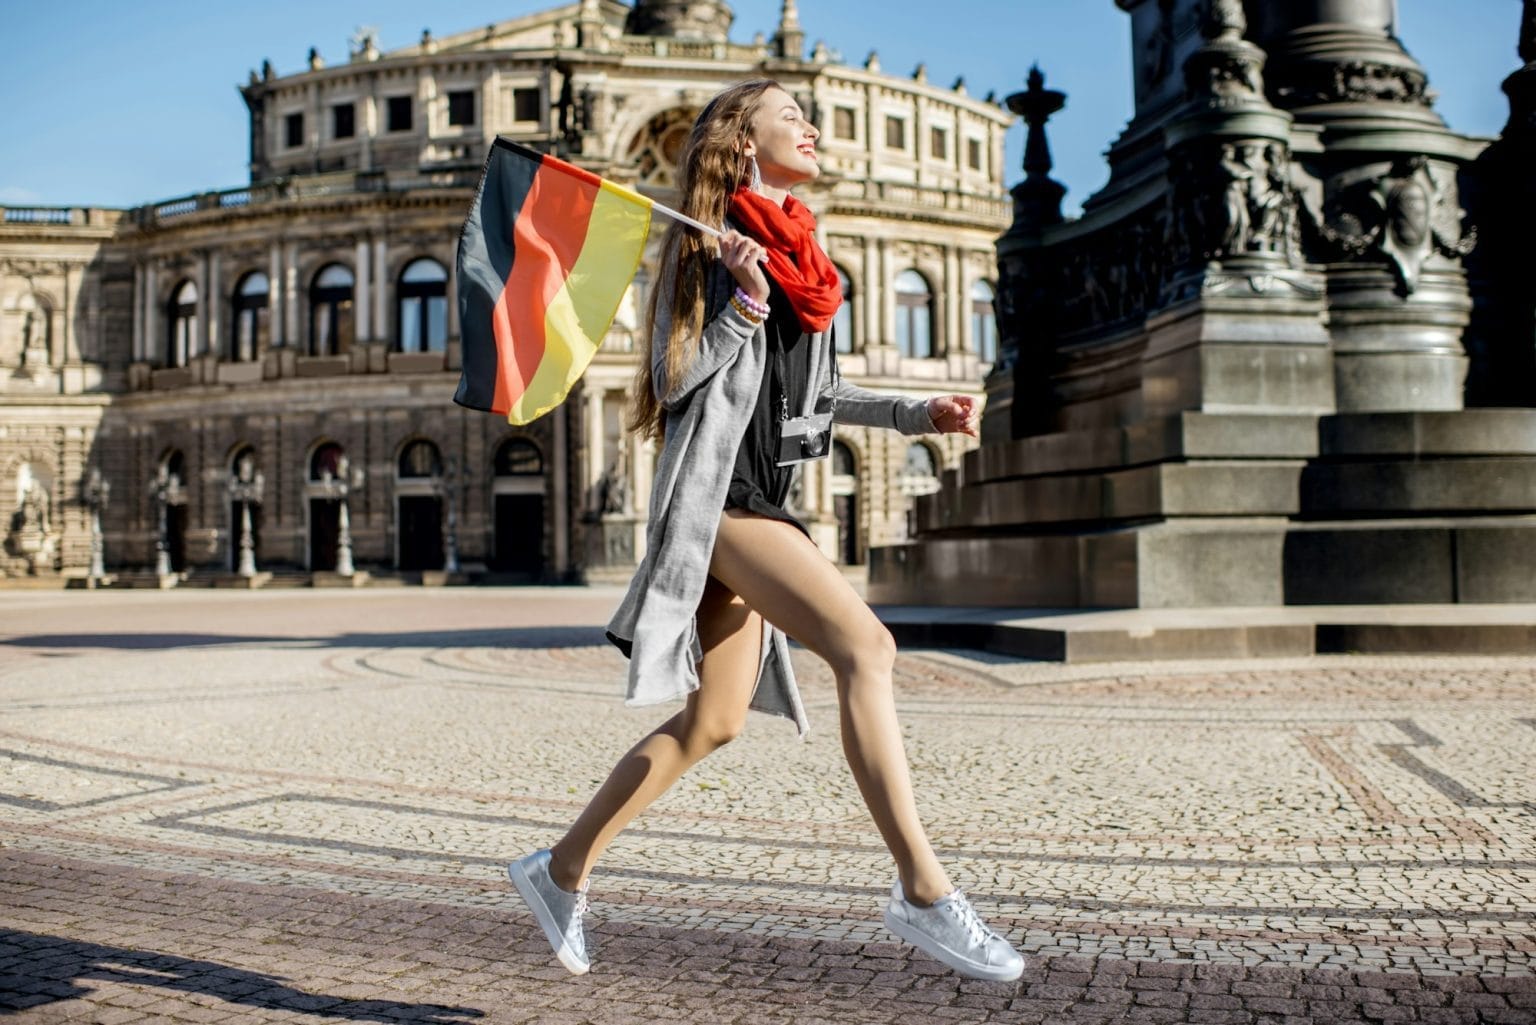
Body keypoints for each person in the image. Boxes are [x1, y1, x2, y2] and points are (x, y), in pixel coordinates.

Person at [507, 79, 1024, 983]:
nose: (813, 128)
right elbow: (670, 379)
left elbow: (820, 396)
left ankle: (558, 869)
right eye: (793, 117)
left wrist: (916, 412)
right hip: (722, 500)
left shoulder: (808, 260)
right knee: (867, 647)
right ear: (742, 139)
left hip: (763, 494)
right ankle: (925, 890)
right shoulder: (706, 250)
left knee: (714, 720)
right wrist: (742, 299)